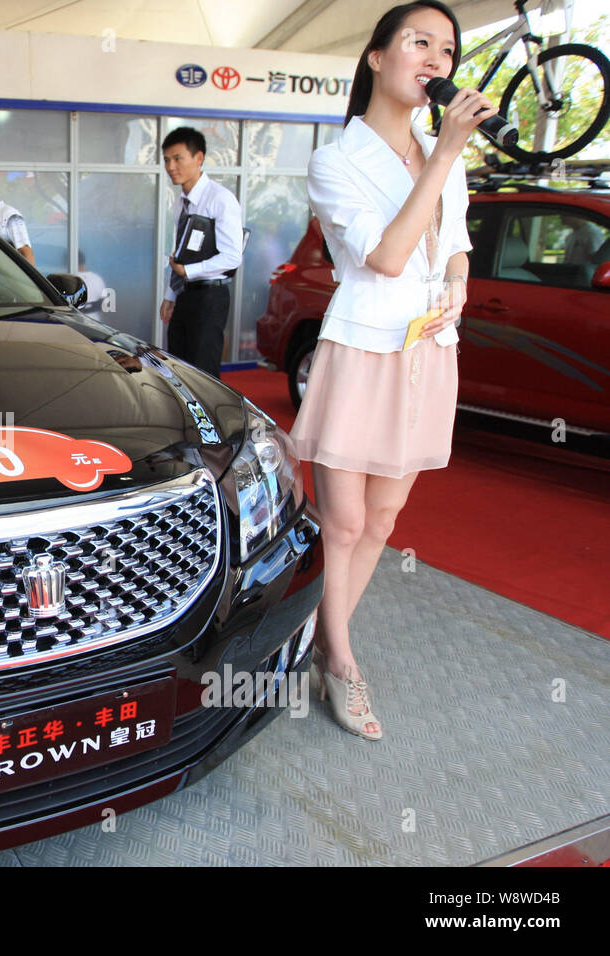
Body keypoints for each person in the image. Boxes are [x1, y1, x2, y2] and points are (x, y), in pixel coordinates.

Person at [289, 1, 496, 740]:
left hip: (429, 349)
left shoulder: (448, 153)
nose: (436, 59)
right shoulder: (335, 159)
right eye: (419, 42)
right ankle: (340, 659)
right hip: (363, 350)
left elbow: (454, 240)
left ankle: (324, 638)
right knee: (342, 520)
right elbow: (384, 257)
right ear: (377, 57)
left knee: (382, 517)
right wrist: (441, 155)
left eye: (446, 48)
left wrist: (461, 286)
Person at [158, 127, 243, 379]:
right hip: (185, 293)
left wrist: (189, 271)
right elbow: (181, 253)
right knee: (177, 366)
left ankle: (207, 420)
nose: (171, 166)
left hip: (210, 297)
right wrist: (170, 294)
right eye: (166, 160)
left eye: (177, 158)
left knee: (203, 373)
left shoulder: (220, 199)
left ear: (199, 158)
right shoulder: (180, 202)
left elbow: (232, 257)